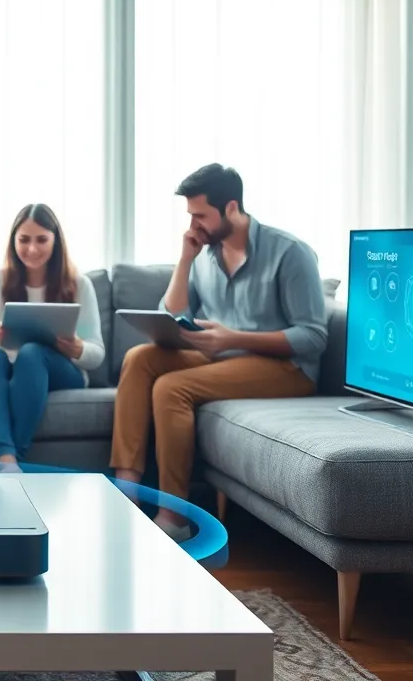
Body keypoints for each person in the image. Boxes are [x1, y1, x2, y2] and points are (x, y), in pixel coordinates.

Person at [111, 164, 326, 540]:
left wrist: (233, 338)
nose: (193, 225)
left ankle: (174, 518)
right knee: (139, 358)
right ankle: (125, 495)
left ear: (231, 207)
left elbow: (313, 337)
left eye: (200, 215)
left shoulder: (289, 252)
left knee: (171, 387)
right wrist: (185, 260)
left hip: (286, 368)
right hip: (224, 358)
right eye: (190, 215)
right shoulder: (204, 255)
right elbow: (172, 314)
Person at [0, 204, 105, 471]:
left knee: (31, 352)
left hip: (54, 369)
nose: (32, 249)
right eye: (24, 240)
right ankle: (7, 460)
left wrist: (77, 348)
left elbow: (96, 354)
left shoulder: (79, 284)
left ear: (55, 241)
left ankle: (8, 455)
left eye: (41, 240)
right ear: (13, 241)